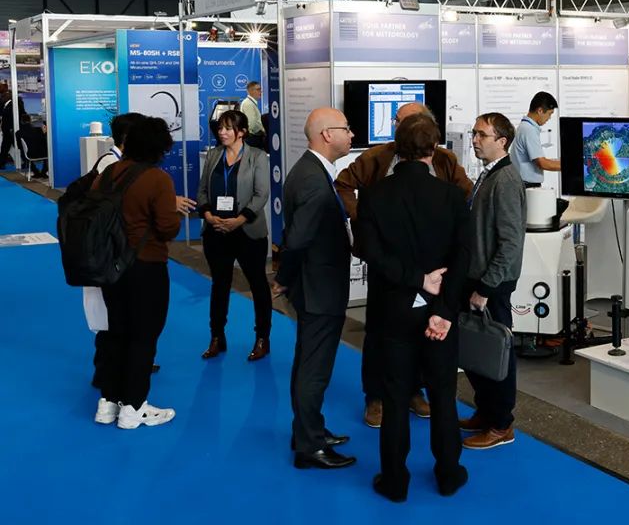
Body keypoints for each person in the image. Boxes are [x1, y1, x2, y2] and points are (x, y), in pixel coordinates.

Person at [354, 114, 471, 502]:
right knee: (443, 395)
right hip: (439, 313)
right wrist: (445, 310)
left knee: (394, 397)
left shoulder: (374, 196)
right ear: (434, 149)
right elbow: (463, 258)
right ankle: (449, 474)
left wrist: (415, 278)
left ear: (397, 148)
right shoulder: (452, 197)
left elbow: (370, 253)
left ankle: (394, 481)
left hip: (392, 312)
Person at [335, 101, 472, 428]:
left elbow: (464, 193)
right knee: (378, 332)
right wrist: (362, 220)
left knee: (426, 332)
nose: (399, 126)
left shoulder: (445, 160)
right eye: (397, 121)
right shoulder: (377, 157)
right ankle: (376, 397)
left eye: (404, 121)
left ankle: (413, 391)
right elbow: (343, 184)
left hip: (432, 272)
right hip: (388, 269)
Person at [276, 108, 356, 469]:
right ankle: (310, 446)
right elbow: (297, 240)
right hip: (318, 289)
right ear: (327, 134)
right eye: (346, 129)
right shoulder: (312, 178)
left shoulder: (313, 171)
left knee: (309, 363)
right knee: (314, 369)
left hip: (317, 285)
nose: (352, 135)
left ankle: (310, 430)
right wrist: (283, 278)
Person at [92, 116, 181, 429]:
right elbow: (168, 228)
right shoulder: (157, 179)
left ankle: (108, 402)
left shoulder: (107, 174)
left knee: (116, 331)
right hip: (146, 266)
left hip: (110, 267)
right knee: (144, 336)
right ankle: (133, 406)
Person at [459, 112, 527, 450]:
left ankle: (501, 424)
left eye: (481, 135)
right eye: (474, 133)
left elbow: (511, 242)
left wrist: (486, 287)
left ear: (502, 141)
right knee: (477, 350)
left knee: (496, 351)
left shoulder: (506, 180)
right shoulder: (489, 174)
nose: (474, 140)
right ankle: (486, 412)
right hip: (478, 277)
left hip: (492, 284)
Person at [196, 110, 273, 361]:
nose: (222, 132)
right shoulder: (213, 155)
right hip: (216, 231)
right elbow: (202, 190)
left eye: (228, 128)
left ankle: (262, 338)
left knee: (258, 284)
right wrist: (209, 216)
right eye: (220, 128)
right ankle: (216, 336)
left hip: (248, 232)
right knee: (220, 284)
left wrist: (239, 220)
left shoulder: (257, 156)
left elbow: (261, 194)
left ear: (242, 132)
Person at [509, 91, 560, 188]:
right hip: (527, 185)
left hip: (523, 184)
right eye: (549, 114)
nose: (549, 118)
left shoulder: (525, 127)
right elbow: (542, 163)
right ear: (540, 111)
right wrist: (570, 167)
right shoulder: (529, 129)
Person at [239, 81, 266, 150]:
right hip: (252, 139)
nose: (261, 92)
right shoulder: (248, 104)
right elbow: (252, 124)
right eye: (258, 89)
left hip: (253, 138)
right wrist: (262, 131)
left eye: (260, 89)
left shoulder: (250, 103)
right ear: (251, 91)